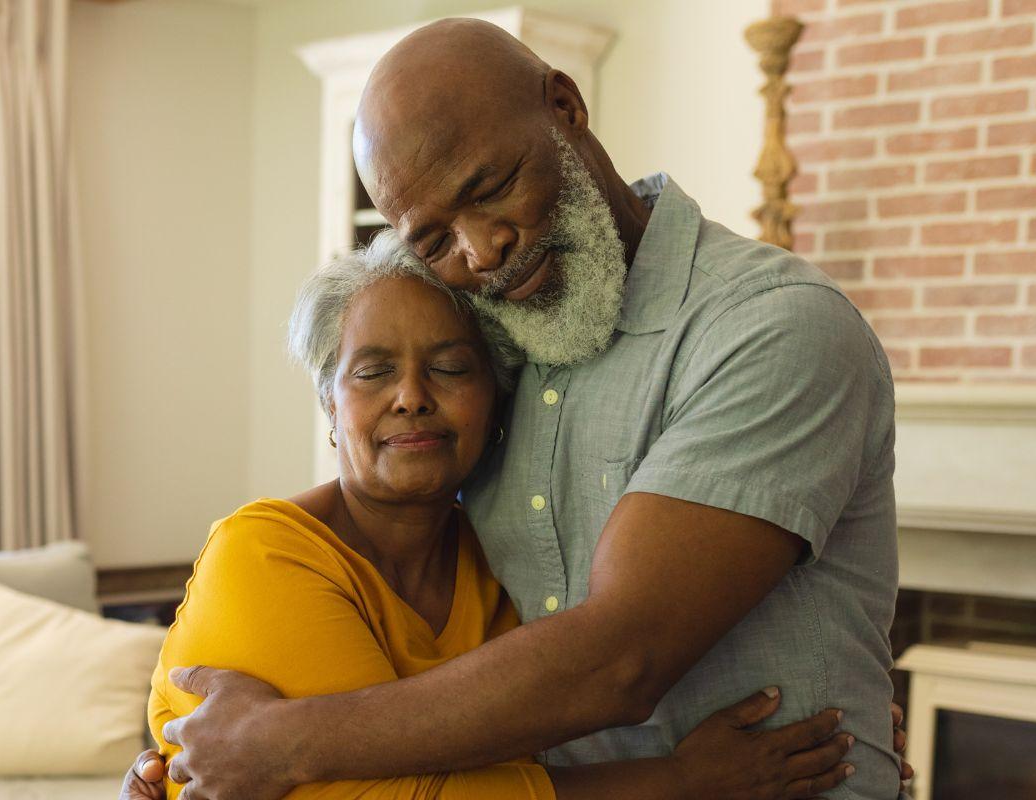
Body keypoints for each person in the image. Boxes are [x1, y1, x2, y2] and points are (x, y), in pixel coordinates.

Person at [135, 17, 908, 800]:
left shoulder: (769, 327)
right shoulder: (501, 339)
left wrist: (280, 743)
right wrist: (173, 761)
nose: (480, 250)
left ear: (566, 108)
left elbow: (622, 658)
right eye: (433, 238)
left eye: (489, 187)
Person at [135, 237, 854, 799]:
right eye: (374, 371)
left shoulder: (505, 560)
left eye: (450, 367)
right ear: (331, 404)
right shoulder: (262, 554)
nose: (412, 396)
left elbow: (542, 736)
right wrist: (683, 784)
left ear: (495, 400)